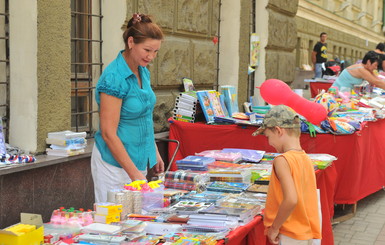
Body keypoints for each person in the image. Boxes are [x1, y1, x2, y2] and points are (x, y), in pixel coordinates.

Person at [91, 13, 165, 203]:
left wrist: (154, 152)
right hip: (113, 166)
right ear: (131, 42)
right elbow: (108, 133)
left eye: (156, 51)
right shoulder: (114, 78)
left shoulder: (143, 72)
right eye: (147, 50)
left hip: (138, 161)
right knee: (115, 224)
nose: (151, 57)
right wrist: (135, 175)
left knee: (136, 225)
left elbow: (145, 116)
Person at [252, 105, 321, 245]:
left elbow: (291, 199)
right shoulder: (305, 158)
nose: (269, 142)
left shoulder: (282, 160)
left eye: (268, 137)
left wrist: (274, 228)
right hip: (306, 231)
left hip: (289, 232)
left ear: (278, 131)